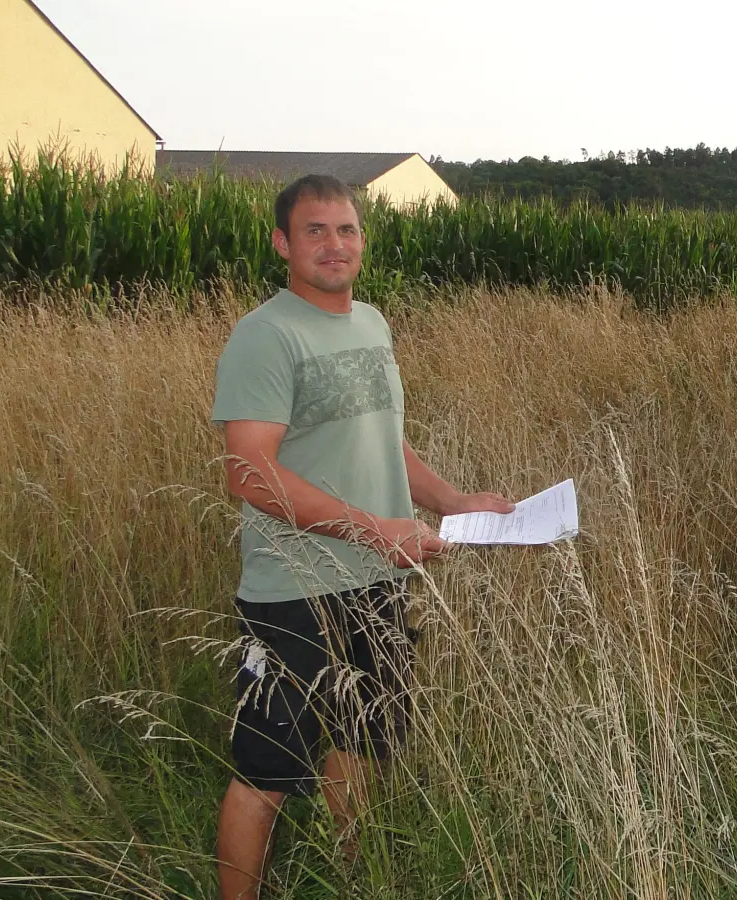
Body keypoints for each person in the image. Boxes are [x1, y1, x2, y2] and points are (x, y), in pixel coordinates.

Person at [209, 174, 513, 900]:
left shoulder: (372, 323)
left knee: (361, 742)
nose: (333, 244)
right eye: (315, 231)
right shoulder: (265, 335)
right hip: (296, 591)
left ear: (362, 240)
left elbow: (383, 443)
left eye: (345, 230)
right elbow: (248, 474)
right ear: (283, 243)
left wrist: (452, 500)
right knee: (268, 771)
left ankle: (346, 877)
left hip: (376, 583)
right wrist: (378, 531)